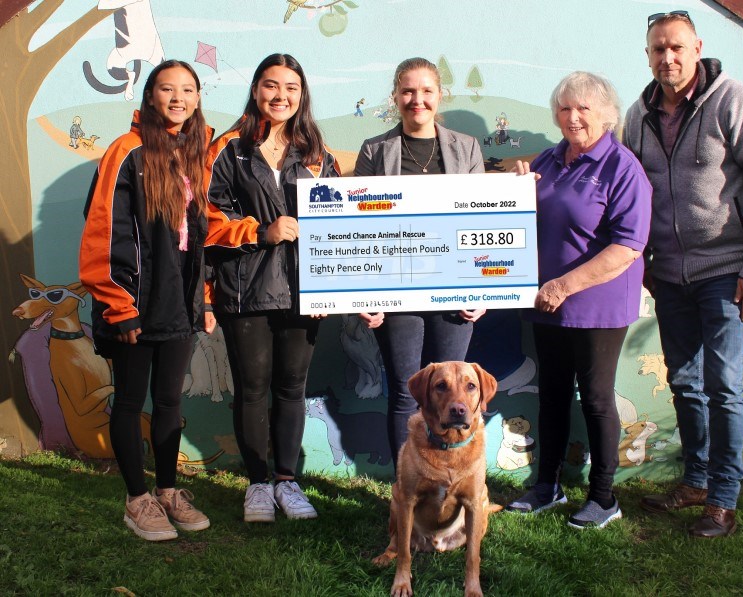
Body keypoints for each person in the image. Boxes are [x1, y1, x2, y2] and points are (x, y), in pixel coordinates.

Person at [622, 11, 743, 538]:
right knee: (685, 383)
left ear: (697, 48)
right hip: (668, 274)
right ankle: (694, 480)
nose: (666, 58)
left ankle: (724, 498)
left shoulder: (734, 100)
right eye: (656, 50)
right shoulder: (637, 115)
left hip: (727, 269)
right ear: (647, 55)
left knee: (723, 386)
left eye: (675, 47)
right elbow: (627, 187)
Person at [504, 72, 651, 530]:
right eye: (565, 108)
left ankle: (604, 497)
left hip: (596, 305)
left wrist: (564, 286)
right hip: (546, 303)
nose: (573, 117)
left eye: (584, 108)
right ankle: (546, 485)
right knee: (550, 396)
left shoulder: (623, 167)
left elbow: (627, 247)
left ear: (605, 114)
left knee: (597, 400)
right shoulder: (547, 160)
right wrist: (512, 190)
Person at [79, 59, 213, 542]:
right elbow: (103, 233)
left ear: (197, 99)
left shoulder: (196, 153)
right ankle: (137, 499)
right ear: (150, 96)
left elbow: (199, 237)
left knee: (170, 402)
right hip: (134, 303)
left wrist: (206, 299)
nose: (177, 98)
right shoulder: (126, 151)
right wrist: (120, 306)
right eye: (166, 89)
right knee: (132, 399)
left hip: (178, 302)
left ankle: (168, 490)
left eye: (187, 90)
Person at [204, 53, 340, 523]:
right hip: (245, 291)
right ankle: (258, 484)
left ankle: (287, 480)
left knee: (292, 387)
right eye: (270, 85)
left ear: (302, 95)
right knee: (252, 388)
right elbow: (206, 219)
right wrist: (261, 231)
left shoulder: (318, 152)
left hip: (306, 292)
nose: (280, 96)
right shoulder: (229, 148)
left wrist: (331, 289)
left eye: (291, 87)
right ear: (256, 90)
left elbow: (337, 227)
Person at [354, 57, 486, 469]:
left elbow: (484, 220)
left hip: (455, 292)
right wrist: (365, 293)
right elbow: (360, 228)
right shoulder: (375, 150)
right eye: (408, 91)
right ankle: (406, 488)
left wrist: (482, 290)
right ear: (395, 96)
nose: (417, 100)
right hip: (397, 292)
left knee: (457, 396)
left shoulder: (466, 148)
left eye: (426, 91)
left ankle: (452, 482)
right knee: (406, 391)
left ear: (439, 95)